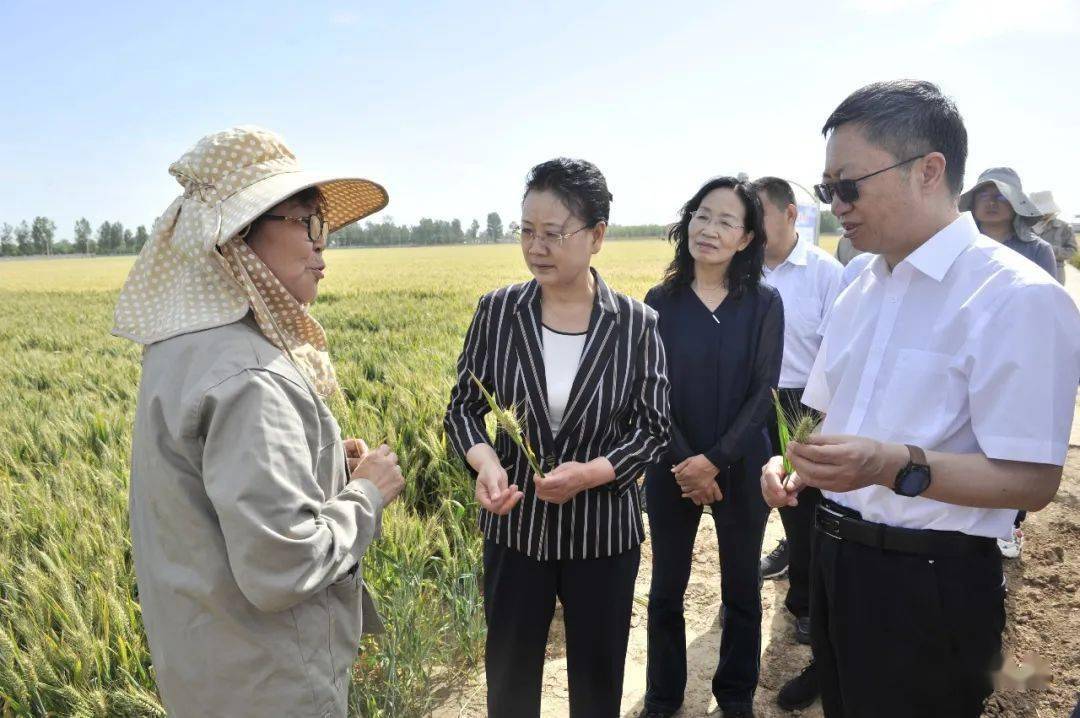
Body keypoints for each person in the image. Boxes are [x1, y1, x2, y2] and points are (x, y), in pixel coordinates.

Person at [763, 80, 1080, 717]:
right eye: (826, 190)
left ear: (928, 171)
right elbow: (827, 415)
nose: (835, 205)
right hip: (833, 559)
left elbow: (1031, 482)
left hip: (930, 582)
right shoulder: (858, 284)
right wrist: (794, 465)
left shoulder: (1017, 297)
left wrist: (889, 464)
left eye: (847, 185)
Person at [113, 126, 404, 718]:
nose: (324, 249)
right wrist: (368, 494)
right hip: (274, 682)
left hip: (208, 670)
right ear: (241, 236)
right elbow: (283, 566)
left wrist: (322, 472)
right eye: (309, 223)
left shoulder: (179, 349)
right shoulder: (250, 376)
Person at [444, 158, 670, 718]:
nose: (536, 246)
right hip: (516, 529)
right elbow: (464, 409)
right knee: (510, 676)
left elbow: (653, 429)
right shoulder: (498, 312)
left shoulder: (637, 324)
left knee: (597, 680)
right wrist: (487, 465)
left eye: (553, 233)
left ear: (596, 236)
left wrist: (591, 473)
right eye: (526, 231)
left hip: (602, 536)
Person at [639, 176, 783, 718]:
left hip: (742, 465)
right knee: (666, 587)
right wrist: (686, 462)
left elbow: (764, 390)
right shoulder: (660, 301)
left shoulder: (765, 303)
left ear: (746, 238)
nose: (710, 229)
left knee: (741, 584)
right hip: (670, 465)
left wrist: (717, 459)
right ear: (687, 222)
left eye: (726, 221)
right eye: (703, 215)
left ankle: (736, 692)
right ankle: (663, 693)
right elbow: (651, 390)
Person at [754, 177, 842, 651]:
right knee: (749, 501)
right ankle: (739, 595)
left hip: (804, 403)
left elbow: (834, 351)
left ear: (790, 215)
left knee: (803, 506)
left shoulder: (826, 272)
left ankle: (806, 604)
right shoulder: (742, 272)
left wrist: (823, 415)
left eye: (760, 215)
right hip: (751, 400)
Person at [959, 167, 1057, 278]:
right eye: (983, 195)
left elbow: (1046, 294)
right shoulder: (957, 245)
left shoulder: (1038, 250)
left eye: (1002, 196)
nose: (991, 202)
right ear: (973, 203)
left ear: (1016, 204)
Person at [1030, 190, 1078, 284]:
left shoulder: (1064, 227)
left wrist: (1049, 250)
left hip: (1055, 275)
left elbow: (1072, 251)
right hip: (1030, 273)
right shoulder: (1025, 227)